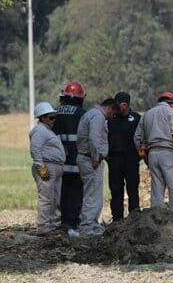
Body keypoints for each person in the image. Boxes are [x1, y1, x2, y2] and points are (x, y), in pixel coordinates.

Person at [134, 92, 173, 217]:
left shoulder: (147, 115)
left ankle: (156, 221)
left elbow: (137, 138)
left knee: (157, 191)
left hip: (152, 154)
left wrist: (146, 158)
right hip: (169, 153)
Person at [75, 98, 116, 236]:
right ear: (110, 108)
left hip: (85, 157)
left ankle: (90, 224)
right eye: (113, 113)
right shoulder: (98, 117)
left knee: (90, 193)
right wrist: (96, 157)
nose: (112, 117)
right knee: (93, 195)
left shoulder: (89, 113)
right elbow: (94, 138)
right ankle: (88, 227)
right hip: (90, 159)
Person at [52, 81, 86, 230]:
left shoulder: (56, 112)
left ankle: (64, 221)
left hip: (60, 161)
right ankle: (73, 222)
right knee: (76, 192)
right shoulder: (82, 113)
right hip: (77, 160)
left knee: (63, 192)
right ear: (81, 98)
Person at [29, 102, 66, 235]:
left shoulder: (47, 130)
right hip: (46, 166)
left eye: (54, 117)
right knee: (46, 198)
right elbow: (35, 150)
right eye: (51, 117)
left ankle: (54, 224)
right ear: (42, 118)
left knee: (55, 198)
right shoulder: (40, 130)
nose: (53, 120)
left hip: (55, 167)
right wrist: (41, 167)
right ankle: (44, 227)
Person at [107, 92, 141, 222]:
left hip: (132, 160)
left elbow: (142, 139)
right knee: (116, 191)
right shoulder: (110, 119)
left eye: (118, 105)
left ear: (125, 105)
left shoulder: (137, 119)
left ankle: (135, 218)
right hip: (114, 160)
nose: (115, 108)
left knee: (133, 189)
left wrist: (139, 156)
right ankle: (117, 219)